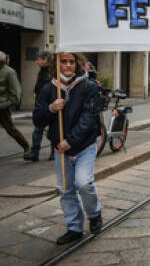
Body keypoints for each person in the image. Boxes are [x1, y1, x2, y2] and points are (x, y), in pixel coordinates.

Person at [33, 52, 102, 244]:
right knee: (66, 190)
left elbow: (89, 118)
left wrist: (70, 141)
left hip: (84, 146)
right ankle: (74, 227)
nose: (68, 65)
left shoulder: (88, 87)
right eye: (64, 61)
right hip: (60, 149)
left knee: (84, 184)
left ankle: (94, 213)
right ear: (57, 64)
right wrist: (51, 109)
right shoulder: (49, 89)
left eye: (72, 62)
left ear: (77, 64)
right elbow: (37, 119)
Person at [0, 50, 31, 161]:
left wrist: (5, 104)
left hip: (1, 108)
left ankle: (27, 147)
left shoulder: (9, 72)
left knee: (11, 130)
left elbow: (16, 93)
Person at [25, 51, 53, 162]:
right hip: (41, 103)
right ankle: (34, 152)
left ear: (46, 59)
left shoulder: (53, 71)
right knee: (38, 128)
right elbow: (39, 83)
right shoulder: (42, 71)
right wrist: (35, 92)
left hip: (51, 103)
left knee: (53, 129)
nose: (37, 61)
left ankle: (54, 152)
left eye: (39, 59)